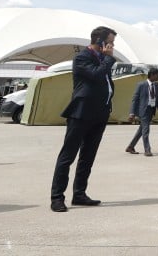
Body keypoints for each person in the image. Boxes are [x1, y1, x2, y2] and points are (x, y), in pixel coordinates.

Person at [50, 25, 117, 212]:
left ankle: (79, 194)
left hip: (100, 113)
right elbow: (95, 75)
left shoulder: (103, 59)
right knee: (67, 156)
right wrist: (109, 59)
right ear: (99, 41)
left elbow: (104, 81)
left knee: (88, 157)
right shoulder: (82, 58)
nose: (112, 46)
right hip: (81, 113)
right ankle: (57, 197)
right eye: (110, 42)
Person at [126, 67, 158, 156]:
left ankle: (130, 147)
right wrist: (132, 113)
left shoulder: (157, 85)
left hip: (151, 110)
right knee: (146, 130)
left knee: (141, 130)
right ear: (152, 75)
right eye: (157, 75)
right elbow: (135, 99)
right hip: (143, 111)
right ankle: (147, 150)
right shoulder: (141, 85)